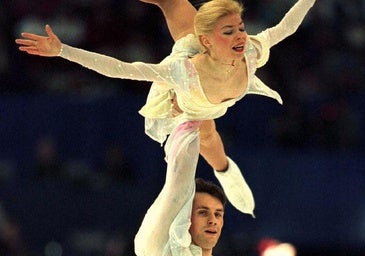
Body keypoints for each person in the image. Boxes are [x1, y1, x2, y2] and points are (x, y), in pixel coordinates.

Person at [15, 0, 316, 214]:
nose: (240, 35)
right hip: (185, 103)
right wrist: (63, 50)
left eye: (240, 27)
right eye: (229, 32)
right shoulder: (183, 70)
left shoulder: (251, 50)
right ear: (207, 41)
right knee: (204, 137)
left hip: (212, 96)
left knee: (209, 138)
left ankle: (224, 170)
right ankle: (222, 170)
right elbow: (121, 69)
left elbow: (286, 27)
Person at [134, 120, 230, 256]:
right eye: (202, 212)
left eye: (218, 214)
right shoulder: (158, 248)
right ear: (186, 218)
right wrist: (190, 119)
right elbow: (179, 181)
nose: (212, 221)